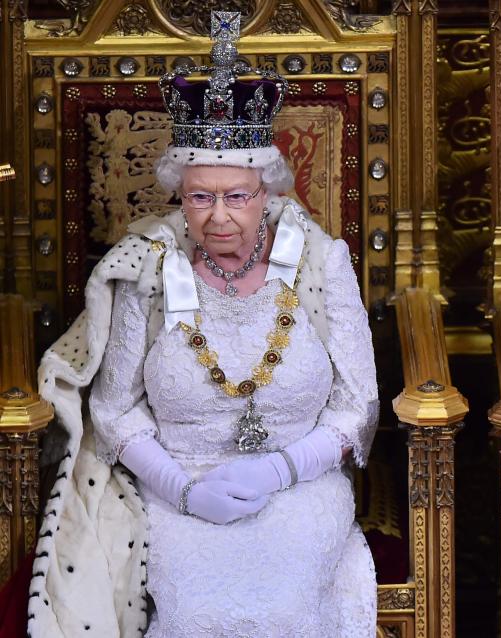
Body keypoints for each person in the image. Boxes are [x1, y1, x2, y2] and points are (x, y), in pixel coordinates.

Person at [27, 12, 378, 637]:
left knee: (283, 608)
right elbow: (113, 411)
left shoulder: (323, 262)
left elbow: (357, 404)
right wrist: (180, 489)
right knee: (195, 611)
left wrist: (281, 469)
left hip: (300, 489)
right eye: (198, 196)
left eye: (236, 196)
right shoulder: (147, 268)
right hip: (174, 493)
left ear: (267, 191)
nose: (218, 216)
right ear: (179, 194)